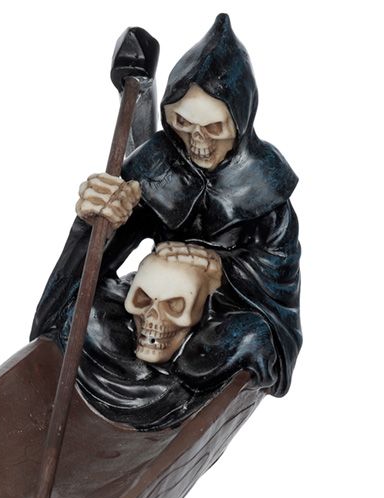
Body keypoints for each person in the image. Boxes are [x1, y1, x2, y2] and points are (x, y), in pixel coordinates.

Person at [31, 13, 301, 429]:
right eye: (183, 123)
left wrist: (219, 272)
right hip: (155, 300)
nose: (197, 140)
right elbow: (90, 273)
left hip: (218, 319)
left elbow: (278, 298)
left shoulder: (268, 197)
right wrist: (97, 223)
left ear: (240, 122)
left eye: (213, 127)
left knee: (247, 341)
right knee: (83, 315)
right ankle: (152, 385)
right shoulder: (156, 168)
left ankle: (172, 385)